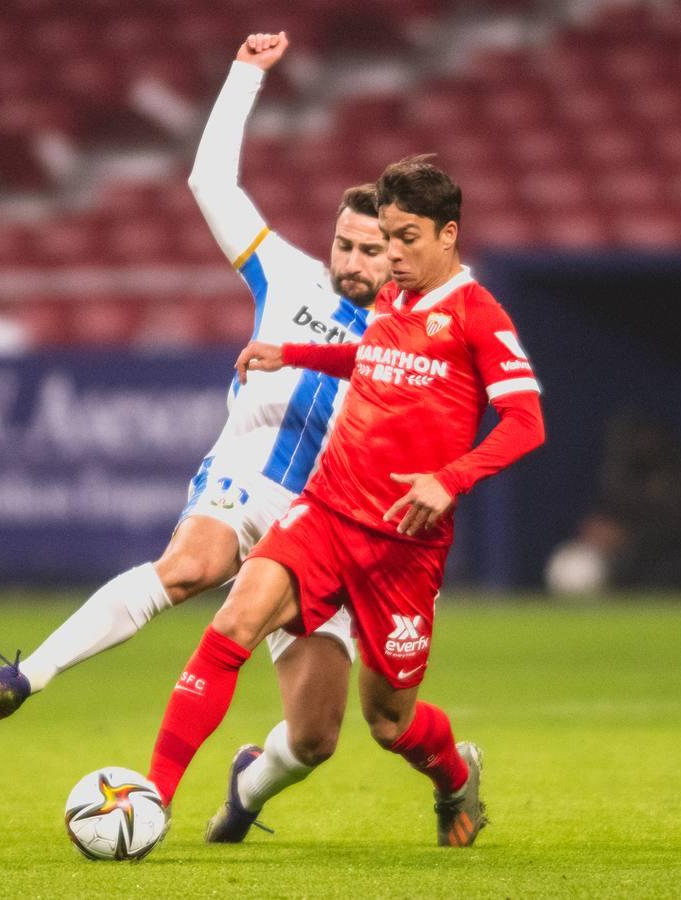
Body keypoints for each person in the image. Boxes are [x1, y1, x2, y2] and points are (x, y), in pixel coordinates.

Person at [0, 32, 391, 838]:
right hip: (243, 478)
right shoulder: (285, 274)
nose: (350, 260)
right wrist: (244, 76)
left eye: (369, 250)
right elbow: (208, 180)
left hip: (324, 523)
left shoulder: (412, 334)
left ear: (397, 256)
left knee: (316, 737)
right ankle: (26, 675)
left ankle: (246, 791)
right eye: (343, 242)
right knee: (190, 567)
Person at [143, 155, 546, 848]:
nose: (391, 253)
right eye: (386, 236)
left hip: (403, 548)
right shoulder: (393, 293)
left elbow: (526, 422)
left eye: (407, 237)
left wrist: (448, 479)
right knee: (233, 624)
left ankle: (455, 776)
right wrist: (292, 353)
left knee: (388, 722)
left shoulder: (478, 315)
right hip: (326, 511)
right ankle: (150, 800)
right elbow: (372, 358)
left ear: (448, 235)